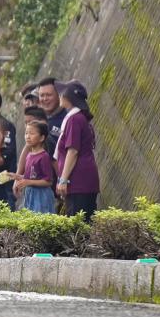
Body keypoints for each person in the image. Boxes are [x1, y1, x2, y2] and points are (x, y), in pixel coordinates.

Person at [53, 81, 100, 221]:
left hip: (78, 182)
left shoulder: (74, 119)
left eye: (63, 93)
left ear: (69, 97)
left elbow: (73, 151)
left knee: (78, 228)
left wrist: (63, 180)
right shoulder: (78, 118)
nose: (60, 95)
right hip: (82, 181)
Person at [12, 120, 57, 214]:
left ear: (41, 138)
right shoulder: (29, 155)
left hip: (41, 196)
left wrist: (27, 181)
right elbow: (31, 176)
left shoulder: (44, 156)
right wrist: (16, 176)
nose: (27, 136)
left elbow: (48, 181)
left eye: (32, 133)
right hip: (30, 194)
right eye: (26, 133)